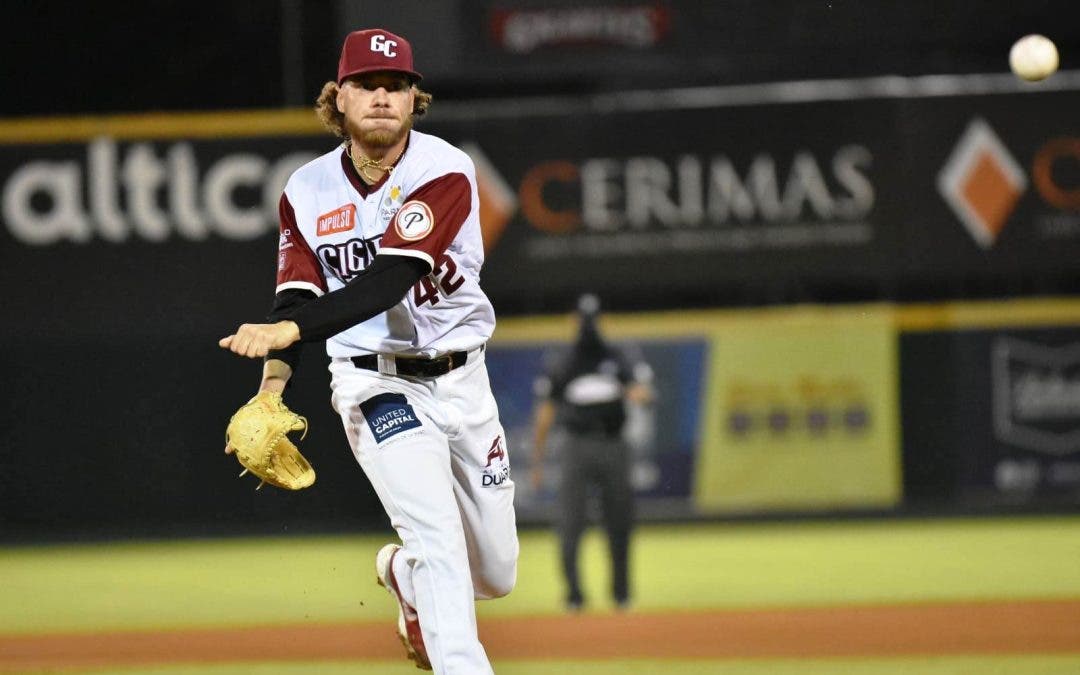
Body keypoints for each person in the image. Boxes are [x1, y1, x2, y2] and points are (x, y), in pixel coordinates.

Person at [218, 28, 518, 674]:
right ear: (340, 99)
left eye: (397, 86)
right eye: (367, 86)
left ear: (415, 99)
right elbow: (293, 301)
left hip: (464, 383)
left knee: (493, 572)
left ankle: (401, 574)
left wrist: (291, 334)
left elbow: (390, 280)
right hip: (375, 386)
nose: (382, 97)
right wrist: (271, 390)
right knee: (439, 541)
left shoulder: (445, 171)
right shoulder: (306, 189)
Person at [530, 294, 654, 612]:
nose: (588, 326)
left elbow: (643, 393)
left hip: (613, 443)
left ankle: (622, 596)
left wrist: (636, 390)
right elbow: (545, 413)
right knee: (570, 523)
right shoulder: (563, 360)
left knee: (620, 522)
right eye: (584, 319)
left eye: (592, 319)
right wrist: (537, 461)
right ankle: (574, 596)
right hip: (576, 445)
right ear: (573, 321)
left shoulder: (619, 355)